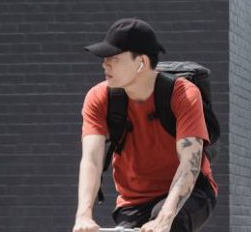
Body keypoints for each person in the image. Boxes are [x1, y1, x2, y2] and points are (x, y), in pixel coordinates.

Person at [73, 18, 217, 232]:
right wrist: (83, 216)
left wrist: (166, 218)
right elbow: (92, 161)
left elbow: (190, 163)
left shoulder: (183, 94)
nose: (105, 64)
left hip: (191, 192)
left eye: (114, 58)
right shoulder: (99, 97)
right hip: (133, 201)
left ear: (141, 62)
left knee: (168, 222)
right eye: (104, 59)